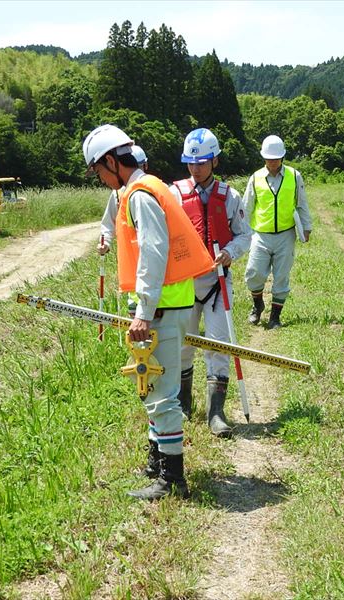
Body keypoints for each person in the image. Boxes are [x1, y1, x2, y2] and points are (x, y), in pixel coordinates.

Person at [82, 124, 213, 500]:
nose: (100, 179)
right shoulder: (143, 189)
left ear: (111, 161)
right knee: (152, 387)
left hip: (161, 310)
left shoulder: (140, 195)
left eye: (98, 171)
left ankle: (172, 480)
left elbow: (153, 255)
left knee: (162, 393)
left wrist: (143, 312)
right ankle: (157, 462)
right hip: (162, 307)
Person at [169, 128, 251, 438]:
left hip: (218, 283)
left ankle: (216, 412)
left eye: (202, 162)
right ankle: (183, 403)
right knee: (183, 344)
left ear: (214, 161)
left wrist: (231, 252)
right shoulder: (175, 195)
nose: (196, 168)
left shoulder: (230, 196)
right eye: (191, 163)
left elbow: (245, 234)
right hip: (185, 283)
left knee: (219, 345)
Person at [243, 135, 313, 329]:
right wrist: (241, 231)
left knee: (281, 276)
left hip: (286, 233)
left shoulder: (294, 175)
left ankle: (275, 317)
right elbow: (246, 207)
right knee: (253, 273)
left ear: (282, 157)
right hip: (260, 234)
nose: (272, 162)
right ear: (263, 158)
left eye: (276, 158)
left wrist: (306, 227)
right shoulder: (255, 177)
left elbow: (302, 203)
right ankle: (258, 305)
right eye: (269, 158)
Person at [98, 145, 147, 255]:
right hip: (129, 256)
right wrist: (105, 241)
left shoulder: (148, 191)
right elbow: (108, 222)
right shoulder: (118, 194)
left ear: (145, 165)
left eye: (139, 166)